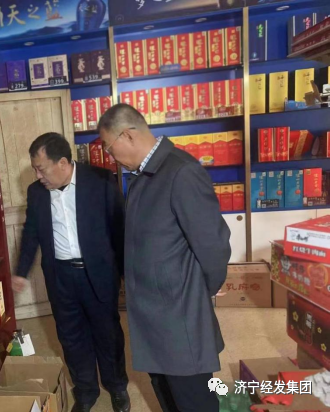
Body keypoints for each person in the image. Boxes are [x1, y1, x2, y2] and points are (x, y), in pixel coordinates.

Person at [98, 104, 231, 412]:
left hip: (178, 316)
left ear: (127, 135)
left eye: (108, 146)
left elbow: (213, 245)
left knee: (193, 399)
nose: (109, 154)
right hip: (153, 314)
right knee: (166, 393)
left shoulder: (181, 172)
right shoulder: (142, 175)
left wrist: (198, 292)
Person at [13, 133, 130, 412]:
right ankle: (86, 391)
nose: (38, 175)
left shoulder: (101, 181)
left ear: (63, 163)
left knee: (108, 334)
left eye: (41, 168)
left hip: (98, 273)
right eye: (35, 169)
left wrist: (128, 275)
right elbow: (31, 233)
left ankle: (116, 387)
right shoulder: (36, 192)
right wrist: (21, 271)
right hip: (60, 277)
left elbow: (120, 231)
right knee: (71, 336)